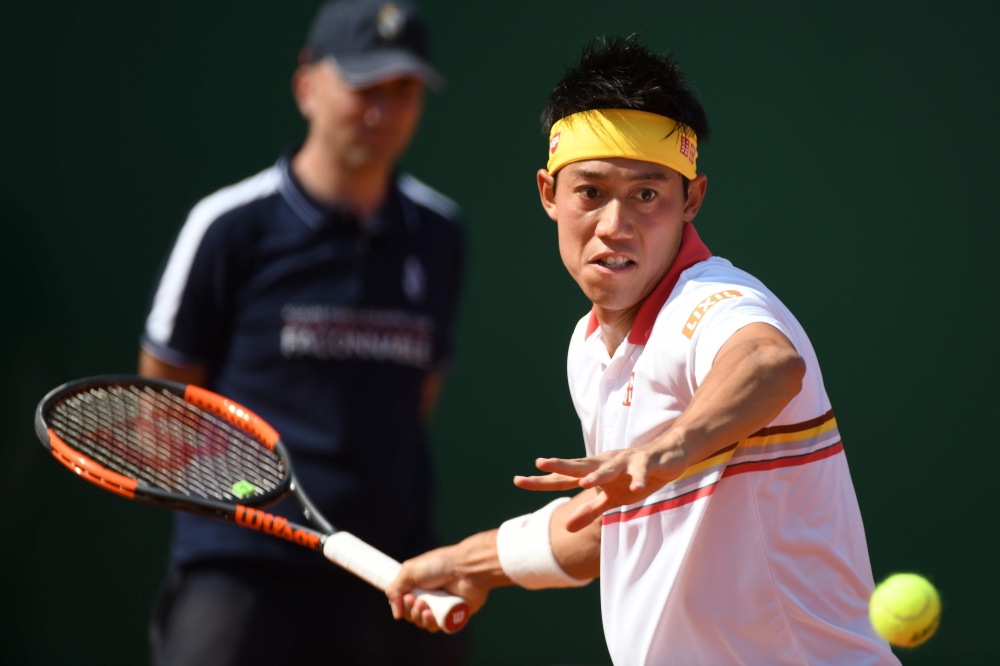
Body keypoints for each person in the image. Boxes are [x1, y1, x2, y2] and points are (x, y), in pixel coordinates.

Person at [385, 37, 900, 665]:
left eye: (648, 194)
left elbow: (768, 363)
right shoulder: (590, 348)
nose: (614, 225)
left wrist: (664, 450)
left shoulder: (714, 302)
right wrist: (473, 563)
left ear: (692, 200)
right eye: (591, 192)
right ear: (549, 194)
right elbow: (620, 525)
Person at [139, 1, 465, 663]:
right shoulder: (228, 225)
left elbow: (418, 398)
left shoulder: (440, 233)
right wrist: (248, 500)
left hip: (389, 569)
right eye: (364, 87)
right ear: (306, 86)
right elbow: (159, 412)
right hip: (241, 569)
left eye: (402, 91)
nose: (382, 112)